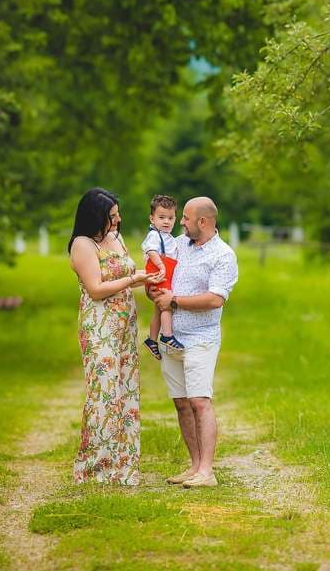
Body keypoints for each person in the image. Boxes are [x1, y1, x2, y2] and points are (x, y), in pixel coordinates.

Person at [68, 187, 164, 485]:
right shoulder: (83, 244)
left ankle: (122, 466)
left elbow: (127, 275)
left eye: (117, 213)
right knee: (104, 393)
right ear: (95, 216)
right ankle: (94, 467)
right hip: (100, 325)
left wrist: (147, 278)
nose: (118, 219)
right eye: (112, 215)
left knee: (125, 391)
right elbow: (96, 289)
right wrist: (132, 279)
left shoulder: (116, 238)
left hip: (125, 326)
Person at [148, 197, 238, 488]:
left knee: (200, 401)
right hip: (171, 338)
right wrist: (155, 290)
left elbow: (215, 299)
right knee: (182, 404)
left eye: (185, 218)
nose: (180, 223)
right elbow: (161, 274)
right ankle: (195, 466)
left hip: (201, 338)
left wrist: (174, 301)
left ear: (203, 222)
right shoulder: (177, 245)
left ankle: (207, 472)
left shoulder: (223, 255)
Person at [140, 194, 184, 360]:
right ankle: (167, 336)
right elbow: (151, 250)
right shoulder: (154, 235)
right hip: (159, 273)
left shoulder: (169, 237)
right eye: (161, 217)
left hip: (164, 273)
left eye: (171, 218)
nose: (166, 221)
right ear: (152, 219)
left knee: (158, 309)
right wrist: (160, 265)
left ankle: (152, 340)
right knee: (166, 304)